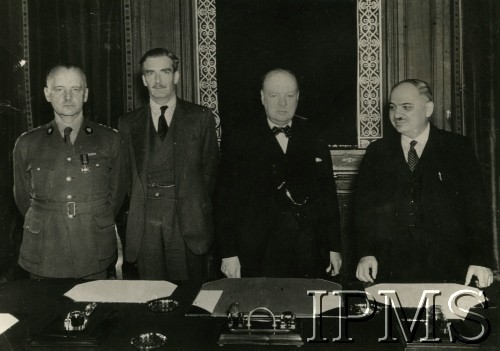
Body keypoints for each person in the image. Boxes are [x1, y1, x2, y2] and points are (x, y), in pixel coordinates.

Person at [355, 79, 494, 287]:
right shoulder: (377, 152)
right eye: (392, 107)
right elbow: (363, 211)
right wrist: (366, 254)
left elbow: (477, 209)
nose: (397, 114)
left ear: (428, 109)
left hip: (449, 267)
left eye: (406, 107)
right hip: (391, 269)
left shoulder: (458, 148)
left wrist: (480, 260)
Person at [215, 68, 342, 278]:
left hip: (307, 251)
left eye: (289, 96)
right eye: (274, 95)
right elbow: (225, 200)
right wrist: (228, 254)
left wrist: (334, 248)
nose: (282, 103)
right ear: (262, 97)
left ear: (298, 97)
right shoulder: (240, 137)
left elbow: (327, 195)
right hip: (256, 253)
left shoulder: (313, 133)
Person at [13, 64, 125, 279]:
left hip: (92, 246)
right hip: (45, 248)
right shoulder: (27, 143)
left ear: (85, 94)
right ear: (47, 94)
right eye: (59, 89)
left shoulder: (110, 139)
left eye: (75, 89)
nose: (67, 97)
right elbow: (22, 199)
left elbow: (117, 194)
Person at [118, 48, 219, 282]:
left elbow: (210, 174)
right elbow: (126, 178)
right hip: (145, 222)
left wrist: (192, 205)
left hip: (186, 220)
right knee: (150, 293)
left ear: (176, 76)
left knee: (187, 294)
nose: (157, 80)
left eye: (164, 72)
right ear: (143, 79)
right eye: (150, 73)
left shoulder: (200, 117)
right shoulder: (128, 122)